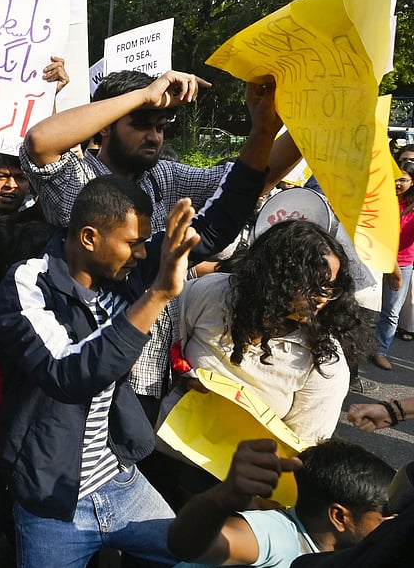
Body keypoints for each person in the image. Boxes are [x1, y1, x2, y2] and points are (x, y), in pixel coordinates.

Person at [0, 152, 267, 568]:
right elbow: (67, 374)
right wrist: (156, 295)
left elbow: (211, 228)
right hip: (50, 501)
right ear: (89, 238)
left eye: (145, 244)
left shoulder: (123, 272)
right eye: (133, 244)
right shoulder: (28, 283)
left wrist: (263, 131)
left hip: (123, 484)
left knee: (195, 554)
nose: (141, 255)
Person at [20, 69, 291, 410]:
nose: (154, 137)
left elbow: (244, 186)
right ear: (106, 123)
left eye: (161, 127)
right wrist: (145, 94)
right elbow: (39, 143)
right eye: (141, 124)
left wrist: (286, 127)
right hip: (88, 370)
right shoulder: (79, 178)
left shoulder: (162, 175)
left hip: (152, 375)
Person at [172, 220, 361, 443]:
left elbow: (305, 445)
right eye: (312, 285)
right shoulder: (212, 294)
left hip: (236, 472)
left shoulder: (325, 362)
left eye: (330, 288)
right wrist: (183, 379)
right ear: (275, 277)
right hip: (163, 441)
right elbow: (157, 349)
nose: (322, 298)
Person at [168, 439, 394, 568]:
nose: (396, 520)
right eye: (387, 513)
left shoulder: (348, 551)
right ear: (339, 517)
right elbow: (188, 547)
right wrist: (220, 499)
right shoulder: (278, 536)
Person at [373, 159, 414, 369]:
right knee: (365, 307)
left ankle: (381, 350)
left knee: (391, 312)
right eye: (395, 179)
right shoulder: (381, 200)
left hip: (403, 263)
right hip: (374, 259)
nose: (398, 184)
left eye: (403, 180)